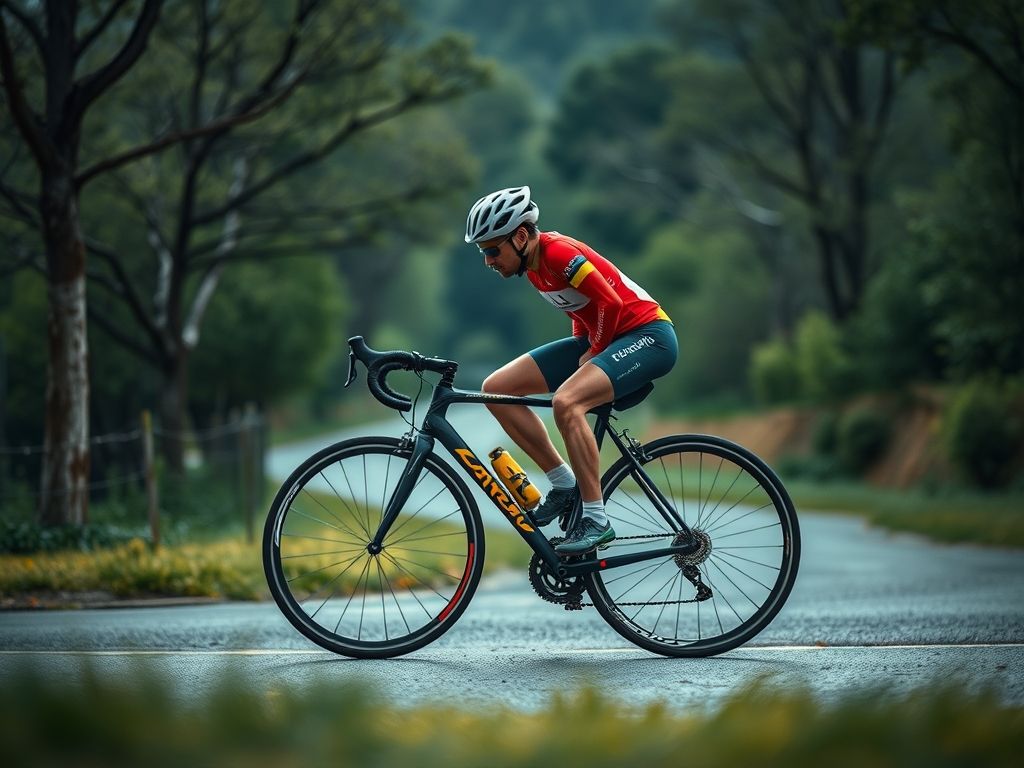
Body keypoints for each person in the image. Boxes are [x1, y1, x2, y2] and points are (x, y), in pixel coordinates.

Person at [465, 186, 678, 554]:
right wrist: (586, 348)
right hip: (612, 338)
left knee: (566, 403)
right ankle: (564, 484)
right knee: (496, 389)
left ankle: (596, 519)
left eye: (491, 250)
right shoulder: (533, 269)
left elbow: (609, 302)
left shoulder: (560, 253)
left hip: (650, 336)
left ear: (519, 237)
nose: (488, 261)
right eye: (483, 252)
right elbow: (581, 310)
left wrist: (594, 351)